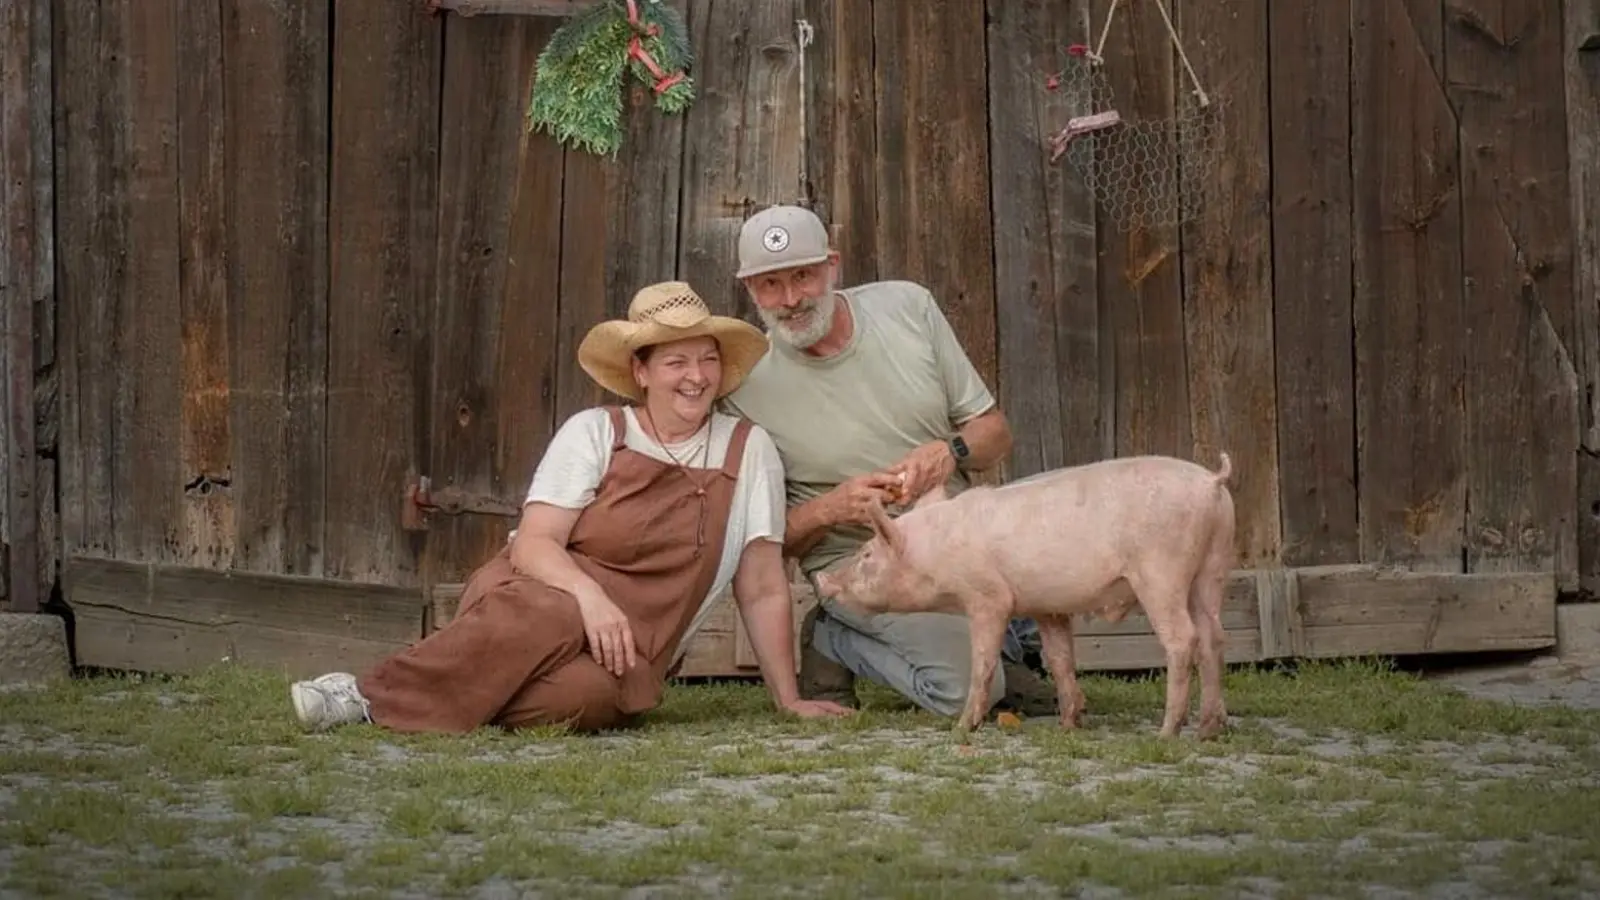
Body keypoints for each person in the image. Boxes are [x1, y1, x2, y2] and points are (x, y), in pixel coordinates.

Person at [289, 281, 856, 734]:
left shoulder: (747, 448)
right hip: (539, 596)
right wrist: (591, 599)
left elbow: (759, 585)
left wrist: (788, 699)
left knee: (588, 698)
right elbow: (535, 543)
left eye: (706, 360)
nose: (696, 377)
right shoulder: (596, 432)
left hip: (628, 649)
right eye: (675, 362)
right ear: (641, 371)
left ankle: (460, 684)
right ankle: (363, 697)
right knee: (550, 613)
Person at [718, 204, 1056, 719]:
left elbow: (995, 436)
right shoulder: (743, 387)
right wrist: (831, 509)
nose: (789, 300)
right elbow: (761, 543)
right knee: (969, 694)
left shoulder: (907, 307)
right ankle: (834, 636)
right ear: (749, 289)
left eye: (803, 276)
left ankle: (1004, 644)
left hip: (960, 539)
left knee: (1066, 534)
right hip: (856, 564)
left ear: (833, 264)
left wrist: (950, 452)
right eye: (769, 285)